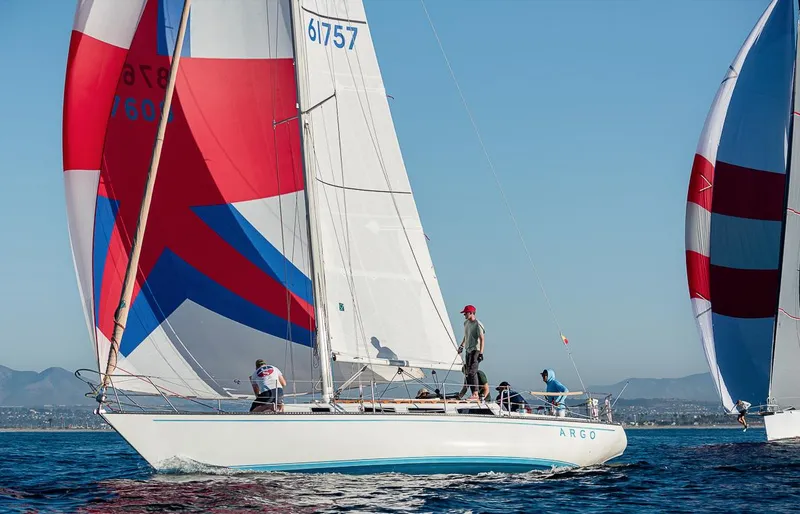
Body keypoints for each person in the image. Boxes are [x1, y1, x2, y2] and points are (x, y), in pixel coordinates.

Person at [457, 304, 485, 401]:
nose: (464, 315)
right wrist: (461, 345)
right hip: (468, 349)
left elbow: (482, 339)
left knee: (473, 372)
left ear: (471, 313)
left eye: (465, 313)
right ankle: (472, 393)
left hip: (475, 350)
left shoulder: (478, 324)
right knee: (468, 373)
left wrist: (481, 353)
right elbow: (466, 336)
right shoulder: (466, 323)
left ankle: (475, 394)